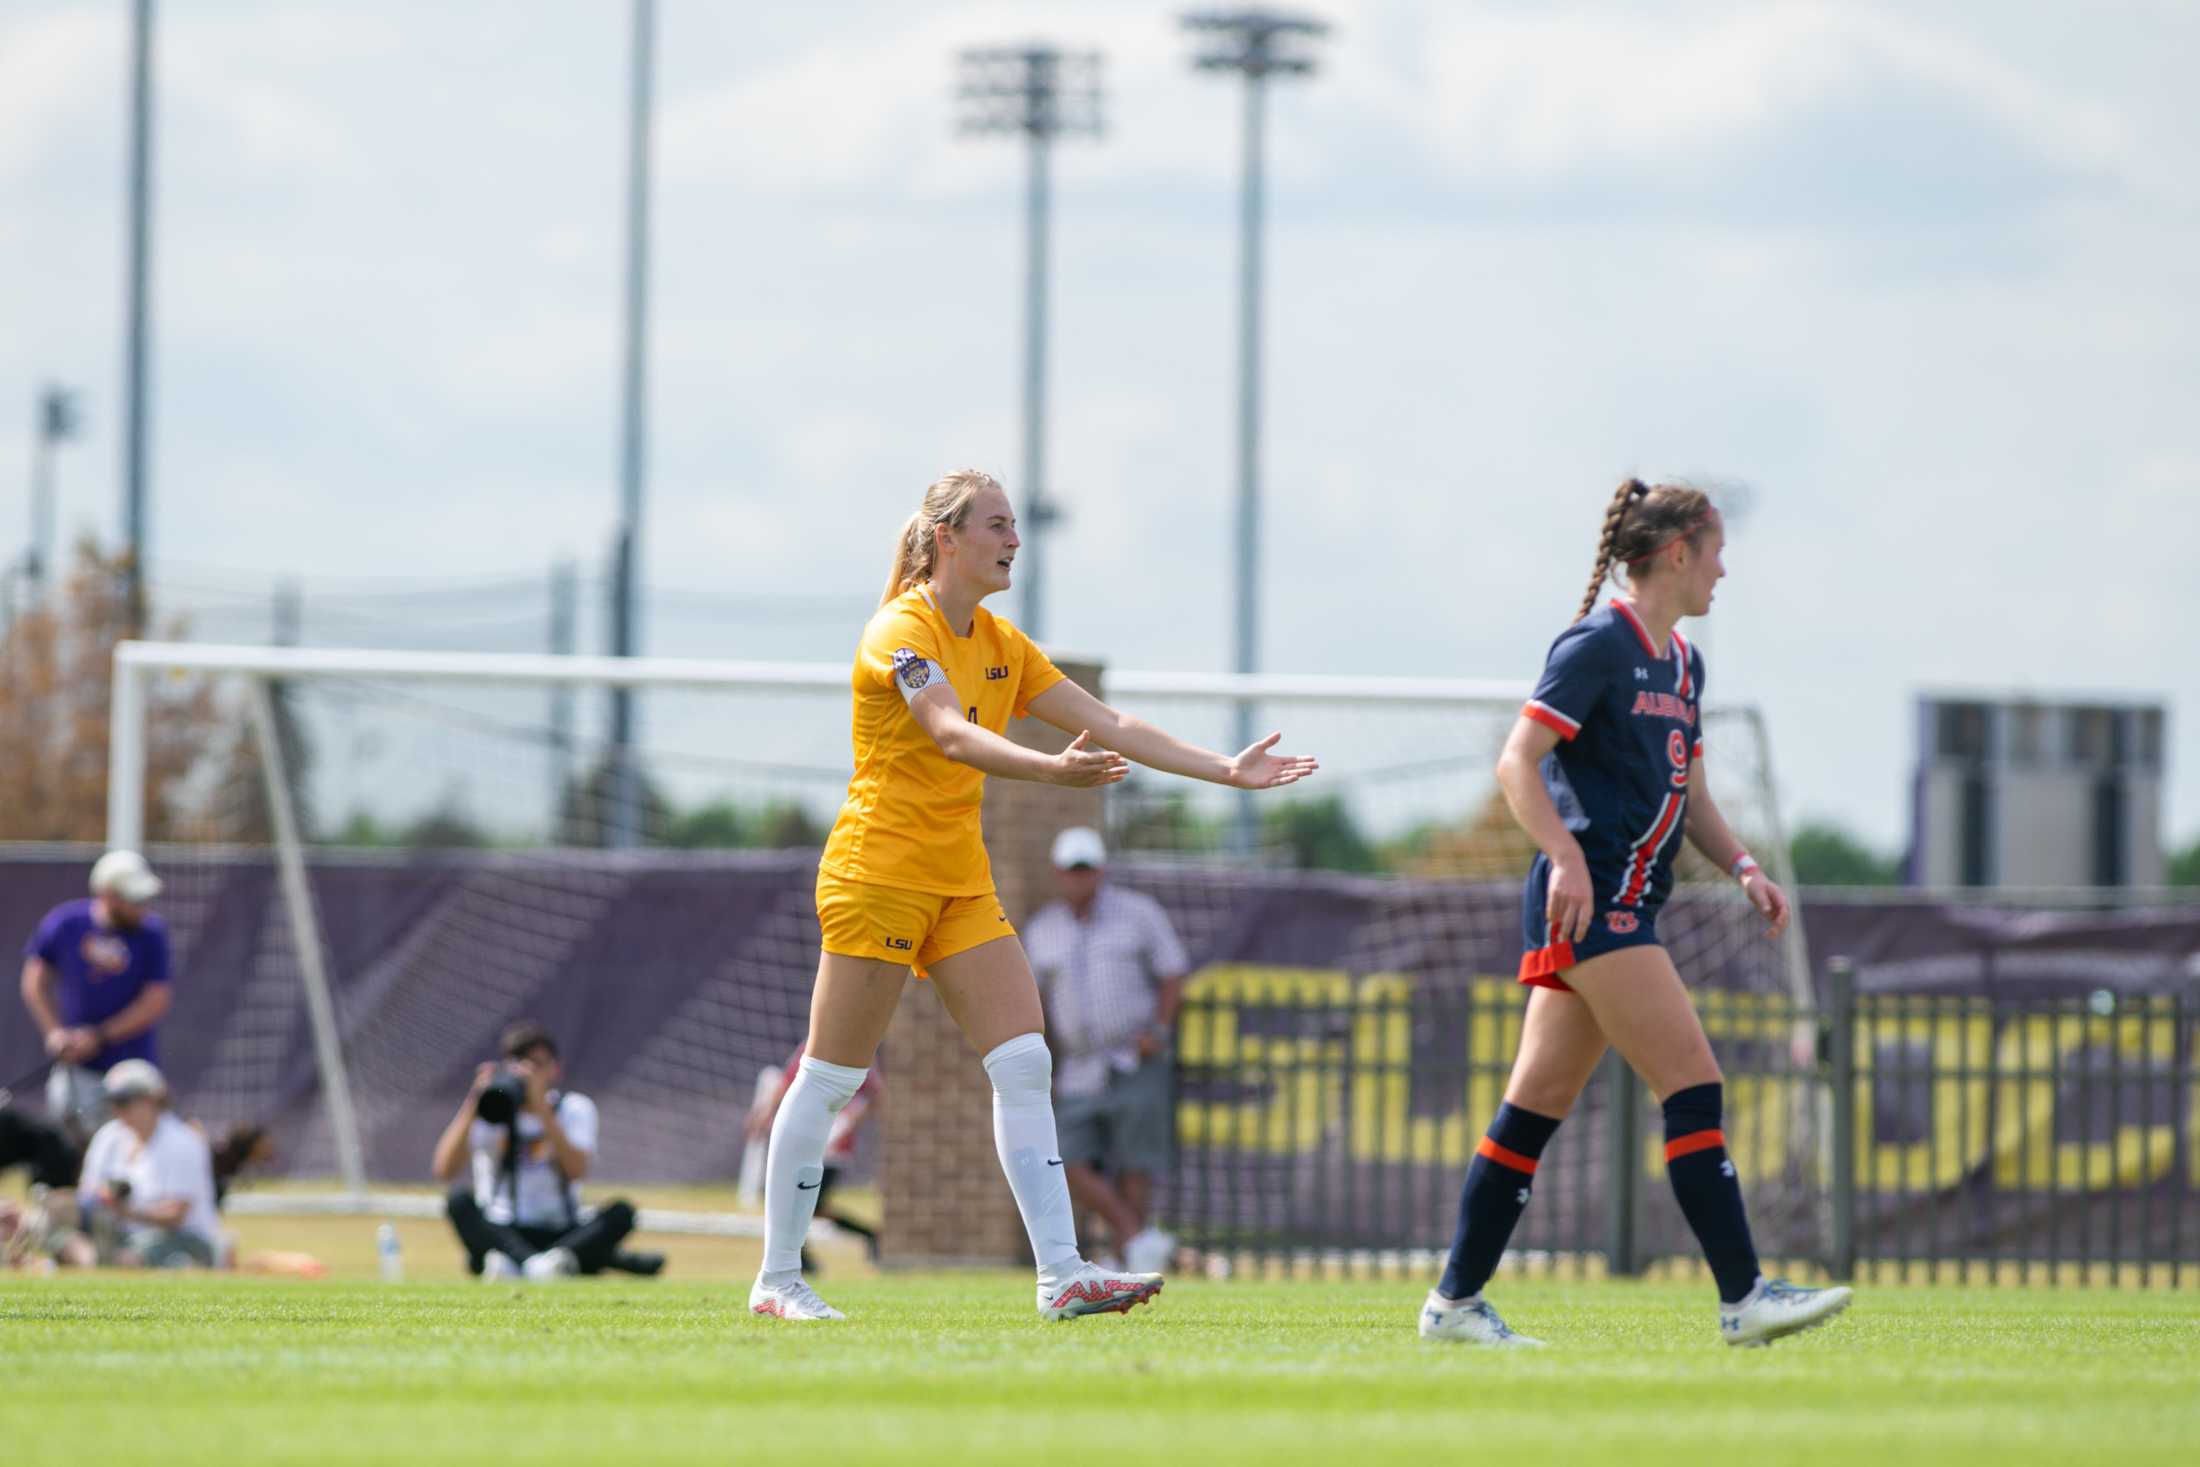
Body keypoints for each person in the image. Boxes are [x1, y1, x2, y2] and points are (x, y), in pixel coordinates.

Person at [751, 469, 1317, 1323]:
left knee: (1025, 1061)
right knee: (832, 1075)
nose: (1015, 539)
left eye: (1016, 525)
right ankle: (778, 1280)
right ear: (947, 538)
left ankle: (1061, 1273)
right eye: (997, 524)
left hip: (959, 881)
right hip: (878, 874)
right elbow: (948, 732)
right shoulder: (899, 630)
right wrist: (1052, 768)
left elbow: (1116, 725)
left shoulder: (1002, 641)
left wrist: (1226, 770)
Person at [1420, 479, 1851, 1349]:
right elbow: (1518, 762)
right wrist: (1570, 857)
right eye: (1717, 550)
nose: (1725, 570)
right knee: (1693, 1082)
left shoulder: (1686, 663)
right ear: (1679, 551)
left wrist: (1744, 866)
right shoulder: (1597, 644)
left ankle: (1453, 1304)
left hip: (1622, 899)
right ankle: (1744, 1297)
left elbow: (1688, 789)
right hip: (1596, 900)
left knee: (1532, 1108)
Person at [1023, 826, 1189, 1275]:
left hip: (1133, 1056)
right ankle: (1139, 1237)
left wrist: (1158, 1030)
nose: (1080, 879)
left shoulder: (1138, 914)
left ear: (1102, 871)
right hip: (1078, 1063)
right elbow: (1032, 1002)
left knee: (1135, 1161)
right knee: (1067, 1157)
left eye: (1088, 869)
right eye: (1073, 871)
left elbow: (1172, 972)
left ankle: (1126, 1254)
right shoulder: (1043, 930)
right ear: (1059, 874)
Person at [431, 1021, 649, 1281]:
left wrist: (542, 1111)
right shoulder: (492, 1110)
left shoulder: (573, 1108)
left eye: (537, 1064)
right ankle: (542, 1265)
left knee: (622, 1213)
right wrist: (474, 1102)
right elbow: (444, 1170)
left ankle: (523, 1265)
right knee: (458, 1201)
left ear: (555, 1069)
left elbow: (577, 1170)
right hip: (505, 1229)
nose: (528, 1072)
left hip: (560, 1229)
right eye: (520, 1063)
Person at [19, 850, 173, 1143]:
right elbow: (34, 980)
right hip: (76, 1067)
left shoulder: (152, 934)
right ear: (109, 895)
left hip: (131, 1063)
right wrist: (55, 1033)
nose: (143, 907)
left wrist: (99, 1036)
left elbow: (156, 1000)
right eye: (134, 899)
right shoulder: (66, 923)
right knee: (70, 1142)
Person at [745, 1044, 882, 1272]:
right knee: (789, 1199)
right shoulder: (809, 1047)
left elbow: (878, 1094)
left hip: (833, 1145)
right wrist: (765, 1114)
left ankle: (800, 1258)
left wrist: (850, 1120)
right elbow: (786, 1084)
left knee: (807, 1203)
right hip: (803, 1138)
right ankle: (800, 1258)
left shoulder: (859, 1048)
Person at [75, 1059, 222, 1268]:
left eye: (123, 1101)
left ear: (151, 1099)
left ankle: (101, 1263)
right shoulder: (108, 1137)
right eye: (112, 1102)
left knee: (134, 1256)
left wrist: (125, 1211)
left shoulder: (184, 1142)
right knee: (55, 1226)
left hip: (182, 1238)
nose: (117, 1110)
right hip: (121, 1235)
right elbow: (87, 1192)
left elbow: (176, 1215)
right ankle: (94, 1261)